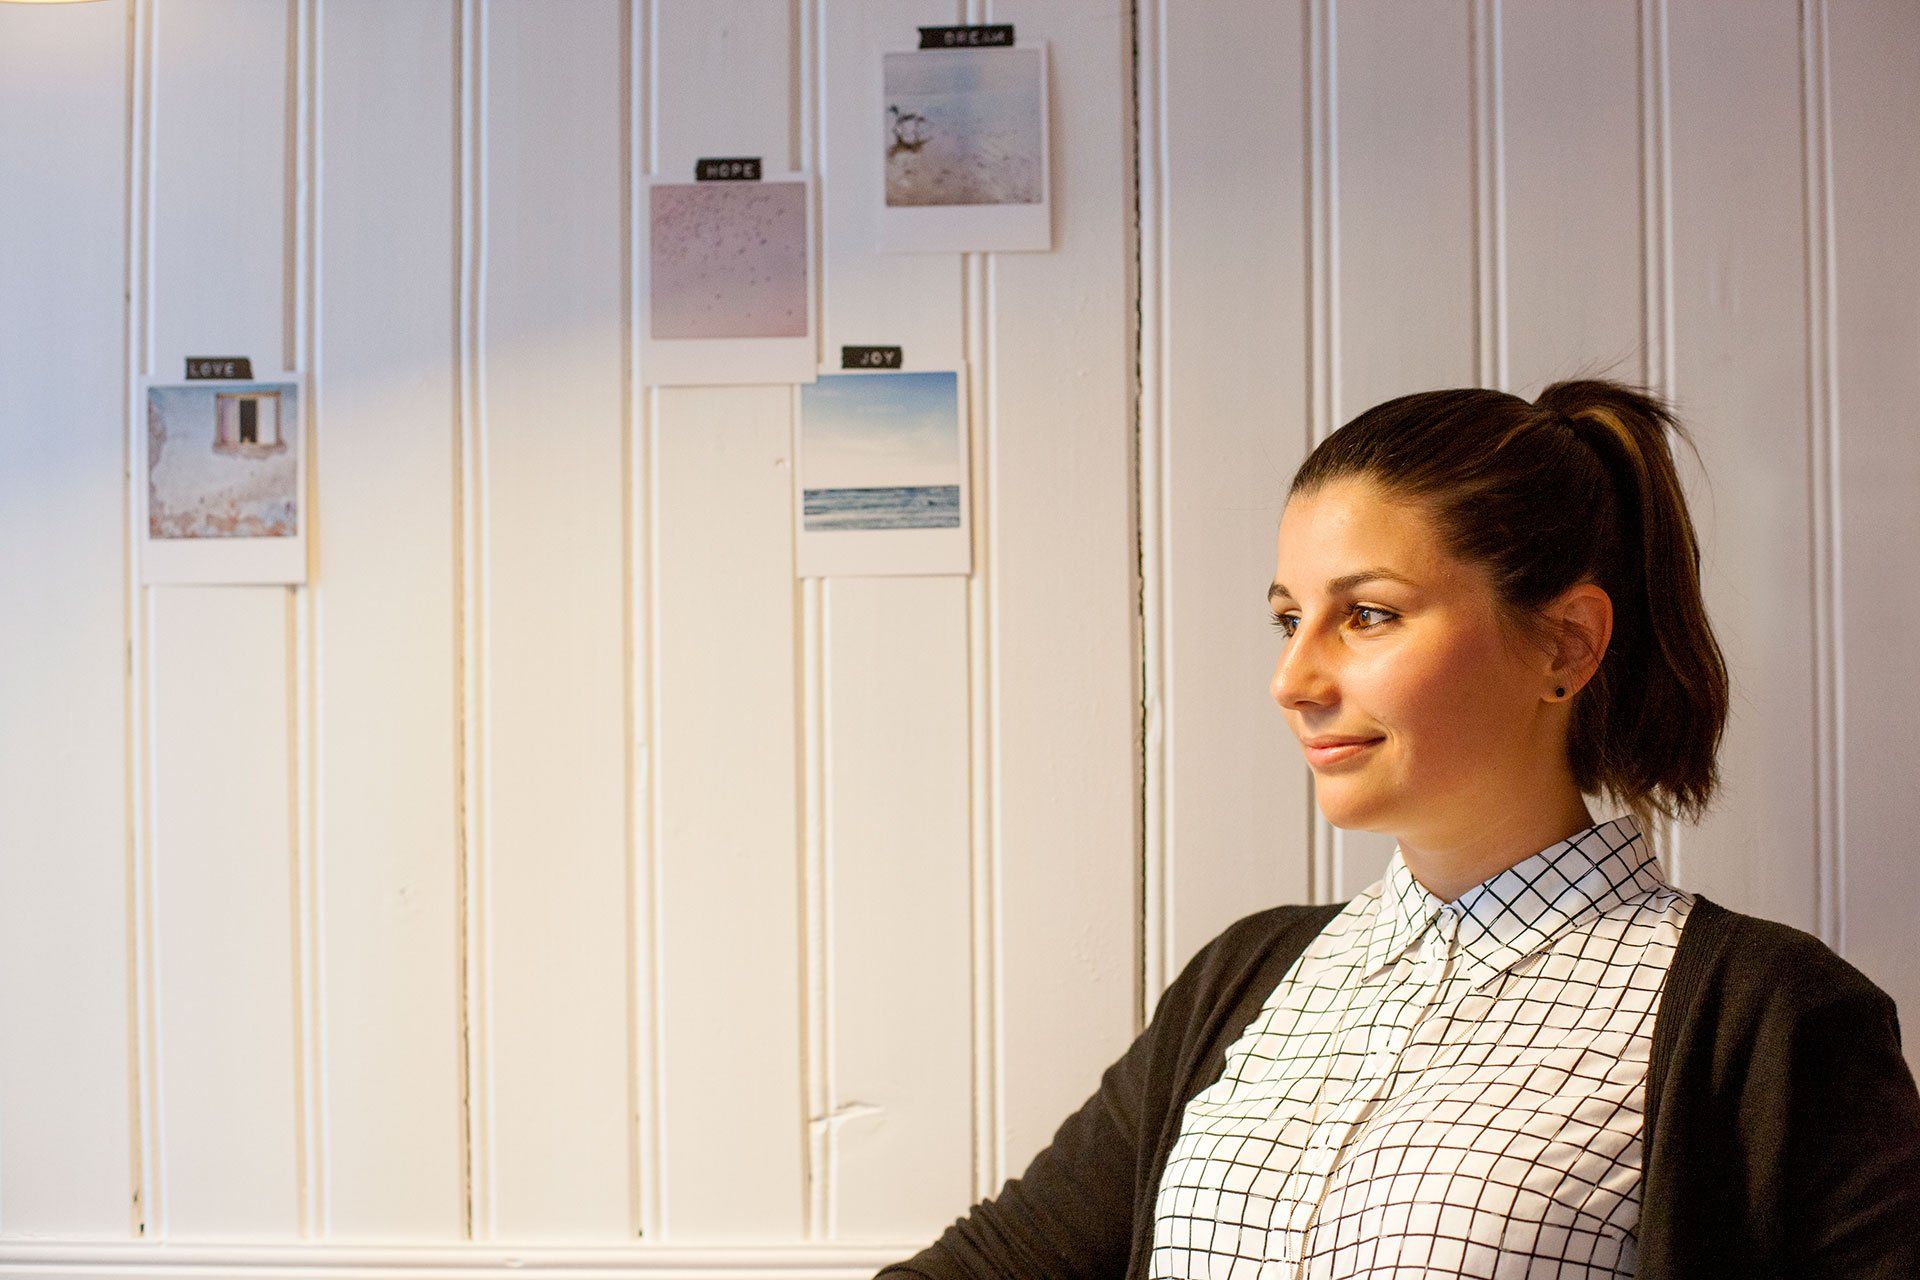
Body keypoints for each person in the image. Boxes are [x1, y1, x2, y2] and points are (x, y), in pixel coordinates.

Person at [875, 379, 1920, 1279]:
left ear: (1566, 642)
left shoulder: (1767, 1014)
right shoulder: (1247, 976)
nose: (1293, 679)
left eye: (1367, 614)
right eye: (1290, 619)